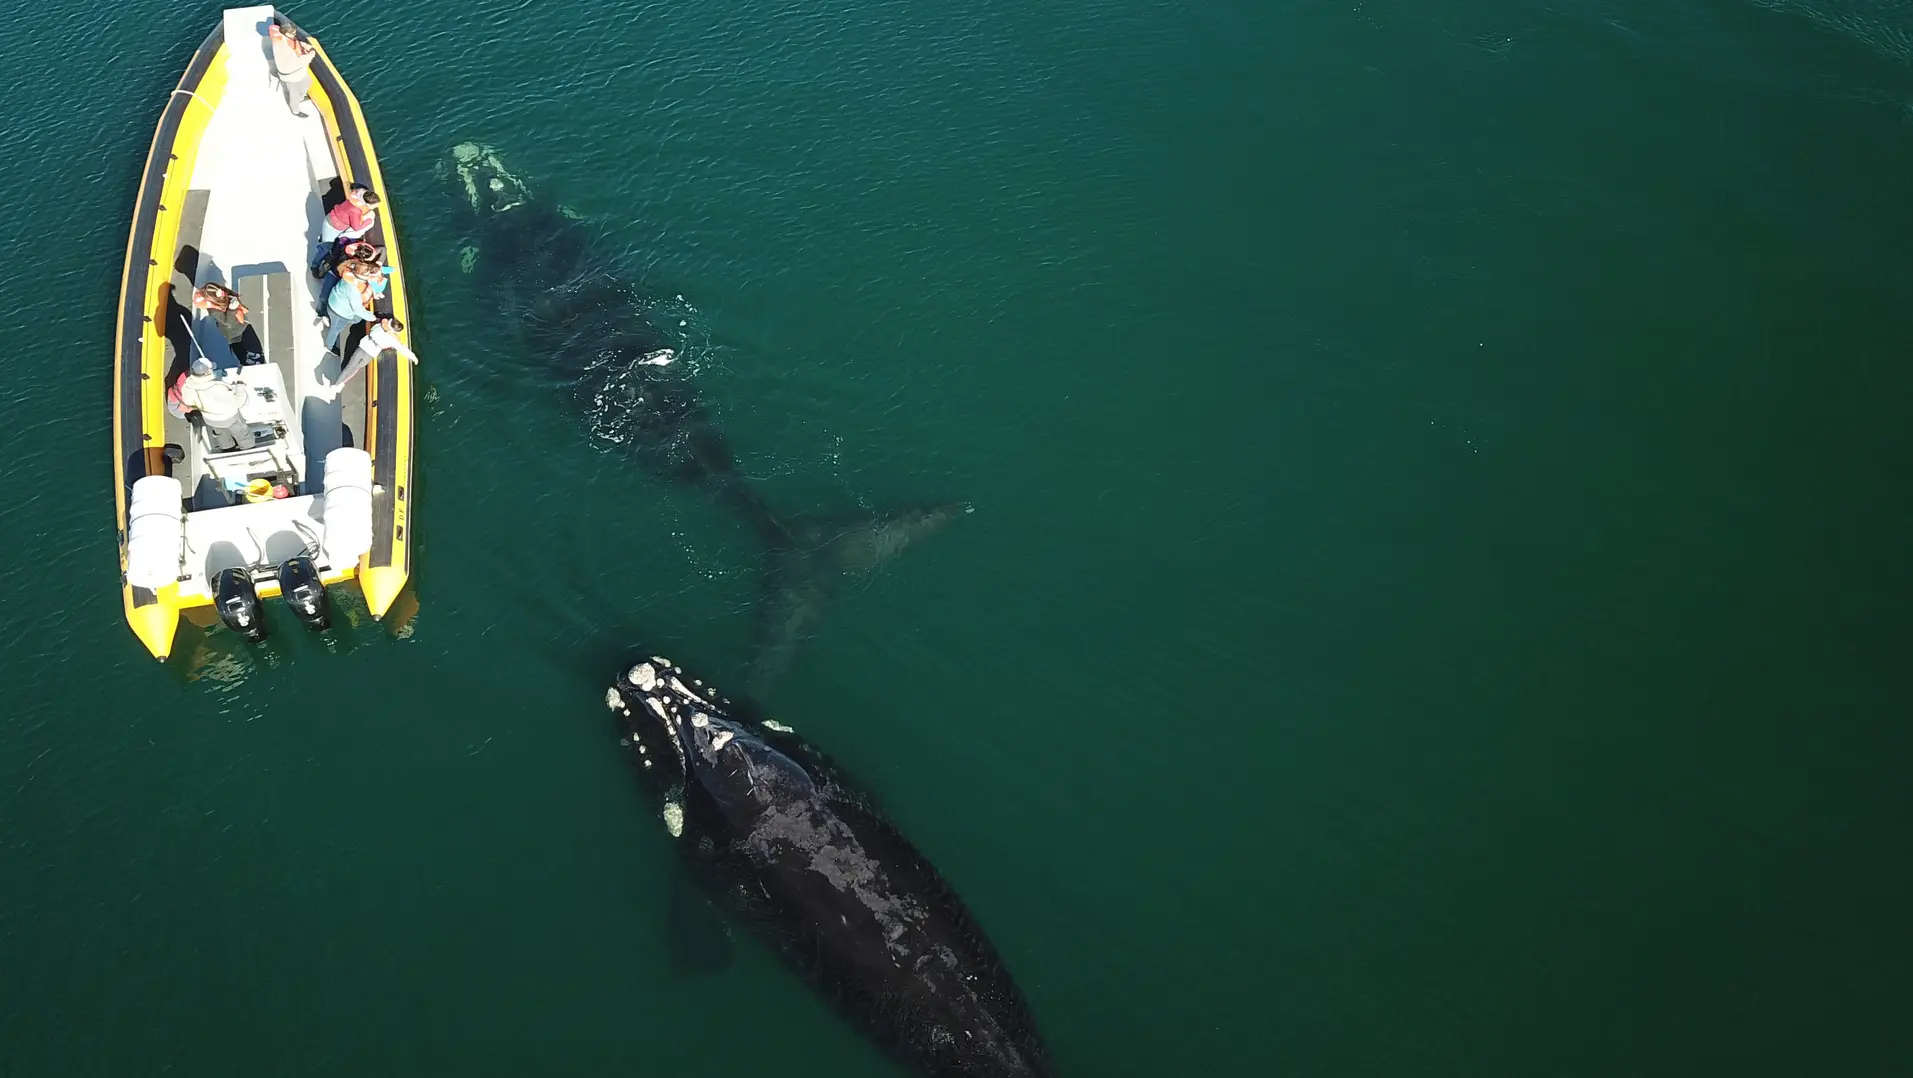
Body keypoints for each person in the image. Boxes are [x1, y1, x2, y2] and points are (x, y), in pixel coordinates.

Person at [319, 317, 416, 400]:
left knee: (350, 367)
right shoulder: (393, 340)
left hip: (363, 346)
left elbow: (380, 324)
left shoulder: (380, 326)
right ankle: (338, 385)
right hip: (371, 353)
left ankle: (337, 385)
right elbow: (403, 350)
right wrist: (413, 357)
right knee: (355, 368)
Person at [310, 183, 381, 275]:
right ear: (366, 203)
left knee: (330, 241)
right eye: (374, 205)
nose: (375, 207)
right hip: (333, 226)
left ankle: (324, 238)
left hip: (335, 221)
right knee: (326, 248)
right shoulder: (355, 210)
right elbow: (356, 227)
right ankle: (314, 266)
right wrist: (369, 221)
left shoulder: (360, 194)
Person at [191, 282, 263, 365]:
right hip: (232, 332)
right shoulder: (215, 311)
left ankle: (249, 355)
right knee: (239, 348)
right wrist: (232, 310)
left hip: (238, 327)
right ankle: (245, 360)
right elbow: (227, 322)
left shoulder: (221, 301)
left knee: (245, 343)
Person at [321, 260, 379, 351]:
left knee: (356, 318)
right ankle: (329, 346)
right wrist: (373, 318)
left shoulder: (349, 274)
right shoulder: (353, 290)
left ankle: (330, 319)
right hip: (339, 312)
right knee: (335, 330)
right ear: (361, 275)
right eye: (367, 274)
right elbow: (358, 310)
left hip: (334, 302)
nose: (369, 276)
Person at [267, 23, 316, 118]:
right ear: (285, 32)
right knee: (295, 94)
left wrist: (305, 46)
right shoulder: (283, 48)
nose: (295, 34)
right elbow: (296, 62)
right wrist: (310, 55)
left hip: (297, 73)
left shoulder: (284, 39)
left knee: (307, 82)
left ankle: (300, 96)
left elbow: (295, 44)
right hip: (293, 76)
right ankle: (296, 111)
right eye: (292, 33)